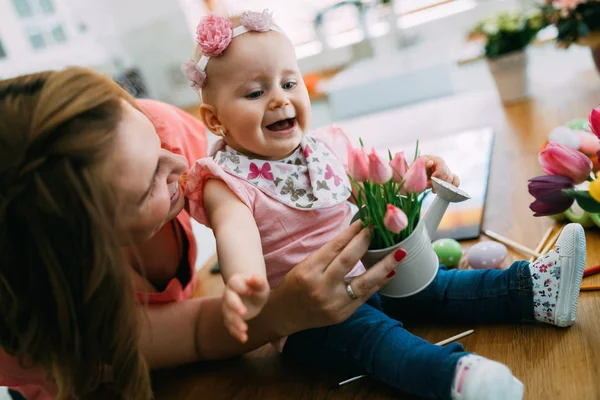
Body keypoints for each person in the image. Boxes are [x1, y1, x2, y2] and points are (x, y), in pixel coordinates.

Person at [182, 10, 587, 400]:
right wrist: (244, 283)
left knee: (437, 285)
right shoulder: (226, 182)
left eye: (289, 84)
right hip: (314, 320)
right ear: (215, 121)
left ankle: (534, 290)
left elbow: (371, 185)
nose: (278, 100)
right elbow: (236, 234)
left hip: (371, 276)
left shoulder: (321, 148)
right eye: (256, 92)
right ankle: (454, 377)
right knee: (376, 336)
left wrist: (415, 172)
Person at [0, 67, 402, 400]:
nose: (178, 161)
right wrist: (284, 310)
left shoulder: (158, 131)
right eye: (147, 186)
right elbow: (191, 334)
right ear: (89, 247)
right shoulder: (49, 319)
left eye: (157, 142)